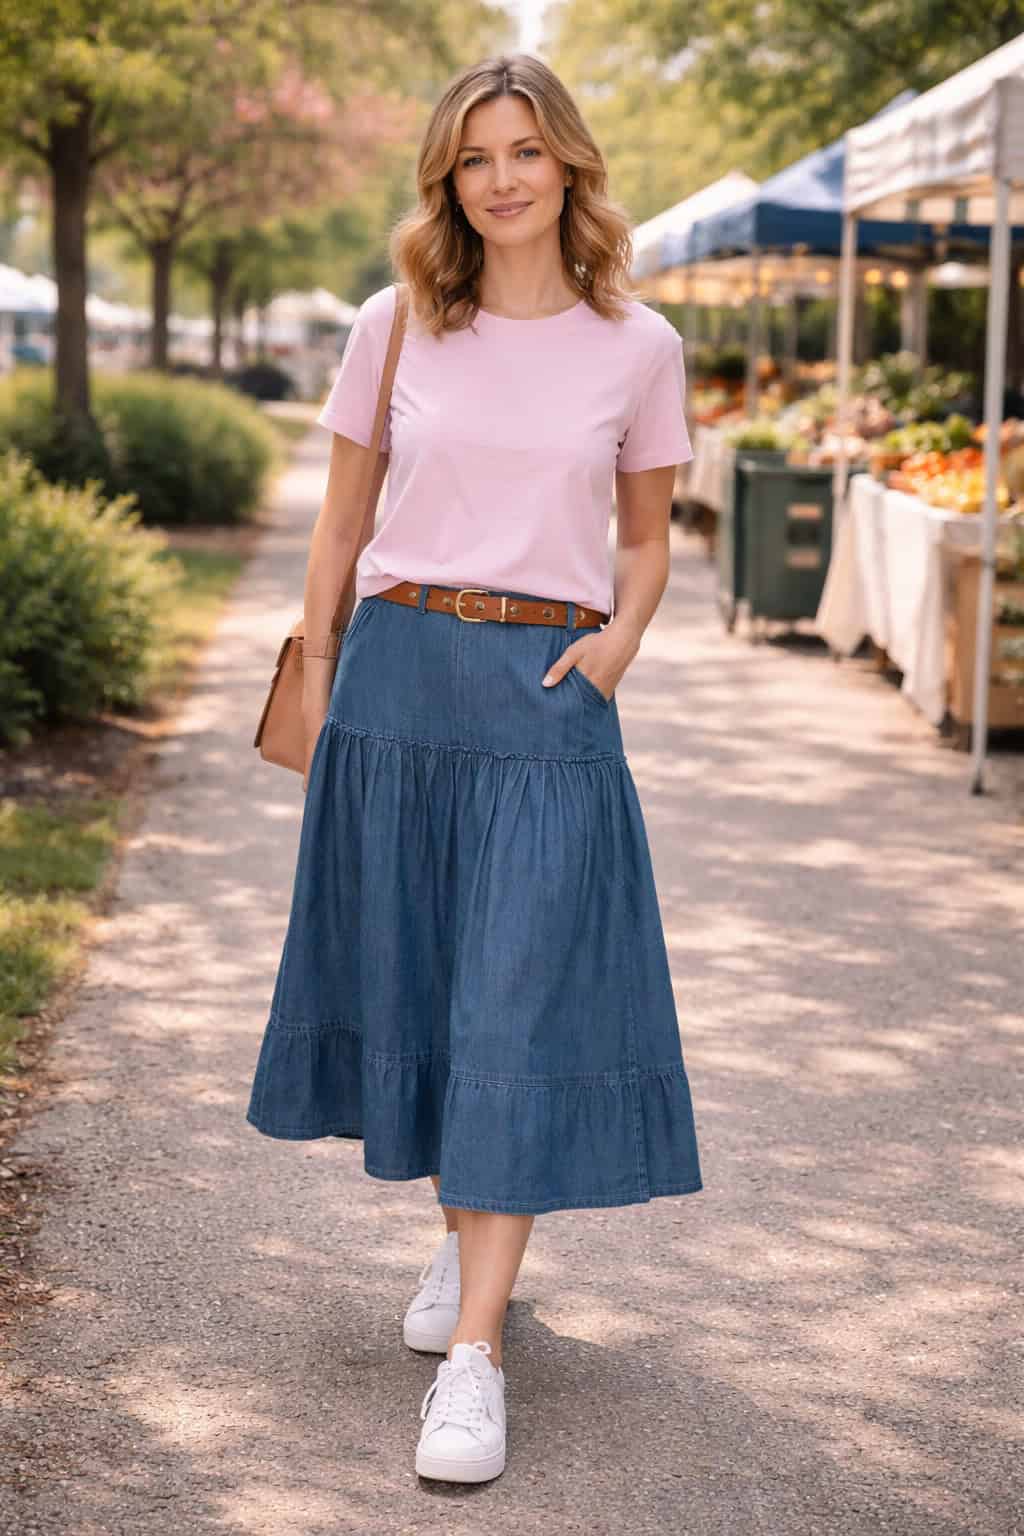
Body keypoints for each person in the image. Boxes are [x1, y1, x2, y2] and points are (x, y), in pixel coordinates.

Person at [246, 51, 703, 1485]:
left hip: (544, 697)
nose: (501, 178)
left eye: (525, 150)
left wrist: (616, 648)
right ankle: (467, 1251)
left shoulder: (641, 347)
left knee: (510, 1005)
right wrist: (322, 680)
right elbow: (339, 528)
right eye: (473, 157)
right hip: (397, 685)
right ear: (447, 179)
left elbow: (645, 538)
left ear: (569, 163)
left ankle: (474, 1356)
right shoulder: (394, 327)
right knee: (432, 987)